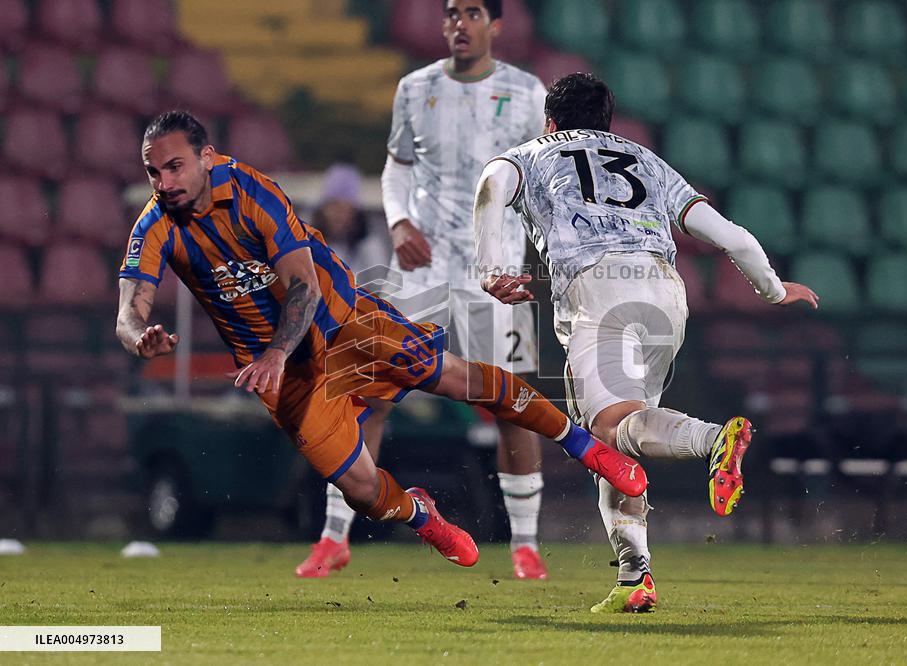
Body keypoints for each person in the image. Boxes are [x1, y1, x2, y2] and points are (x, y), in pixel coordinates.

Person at [115, 110, 648, 573]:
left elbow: (301, 283)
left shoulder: (252, 191)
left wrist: (275, 350)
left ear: (206, 156)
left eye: (173, 167)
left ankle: (585, 447)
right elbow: (129, 308)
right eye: (153, 173)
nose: (163, 182)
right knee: (363, 492)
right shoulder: (156, 223)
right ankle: (420, 513)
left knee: (460, 378)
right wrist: (141, 335)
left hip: (345, 325)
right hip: (287, 379)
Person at [473, 73, 820, 612]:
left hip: (600, 290)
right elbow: (731, 236)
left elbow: (491, 189)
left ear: (550, 121)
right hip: (664, 291)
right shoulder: (646, 160)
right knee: (620, 442)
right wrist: (773, 290)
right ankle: (636, 577)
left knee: (609, 427)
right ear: (607, 123)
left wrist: (490, 269)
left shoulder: (530, 154)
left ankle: (713, 440)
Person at [298, 0, 552, 581]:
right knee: (369, 395)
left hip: (494, 271)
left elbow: (545, 176)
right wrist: (398, 223)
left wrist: (538, 250)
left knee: (510, 405)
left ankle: (526, 544)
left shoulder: (529, 92)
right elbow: (397, 170)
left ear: (496, 26)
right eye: (451, 14)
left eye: (472, 13)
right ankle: (334, 536)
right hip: (423, 267)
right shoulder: (414, 89)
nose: (459, 23)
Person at [311, 164, 389, 273]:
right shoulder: (307, 243)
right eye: (333, 205)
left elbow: (381, 283)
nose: (337, 214)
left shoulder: (370, 247)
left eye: (344, 208)